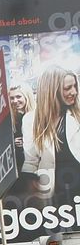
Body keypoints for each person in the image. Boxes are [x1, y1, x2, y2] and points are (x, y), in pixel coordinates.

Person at [22, 66, 80, 199]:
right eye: (67, 88)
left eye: (75, 86)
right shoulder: (30, 120)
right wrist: (31, 191)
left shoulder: (77, 114)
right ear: (52, 91)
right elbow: (31, 161)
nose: (74, 92)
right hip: (53, 191)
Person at [9, 83, 36, 171]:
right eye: (12, 98)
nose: (15, 101)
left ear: (26, 96)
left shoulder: (37, 115)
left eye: (18, 96)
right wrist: (13, 142)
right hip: (18, 164)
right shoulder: (10, 118)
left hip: (36, 162)